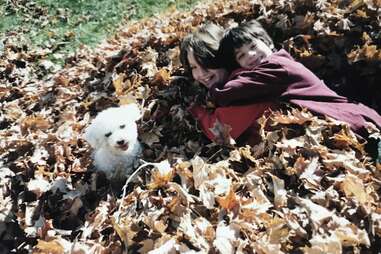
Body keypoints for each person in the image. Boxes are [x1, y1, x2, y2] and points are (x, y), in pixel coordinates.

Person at [180, 21, 381, 159]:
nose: (201, 74)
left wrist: (197, 109)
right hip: (352, 123)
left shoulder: (253, 80)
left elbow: (220, 130)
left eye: (206, 63)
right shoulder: (260, 68)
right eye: (193, 68)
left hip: (356, 127)